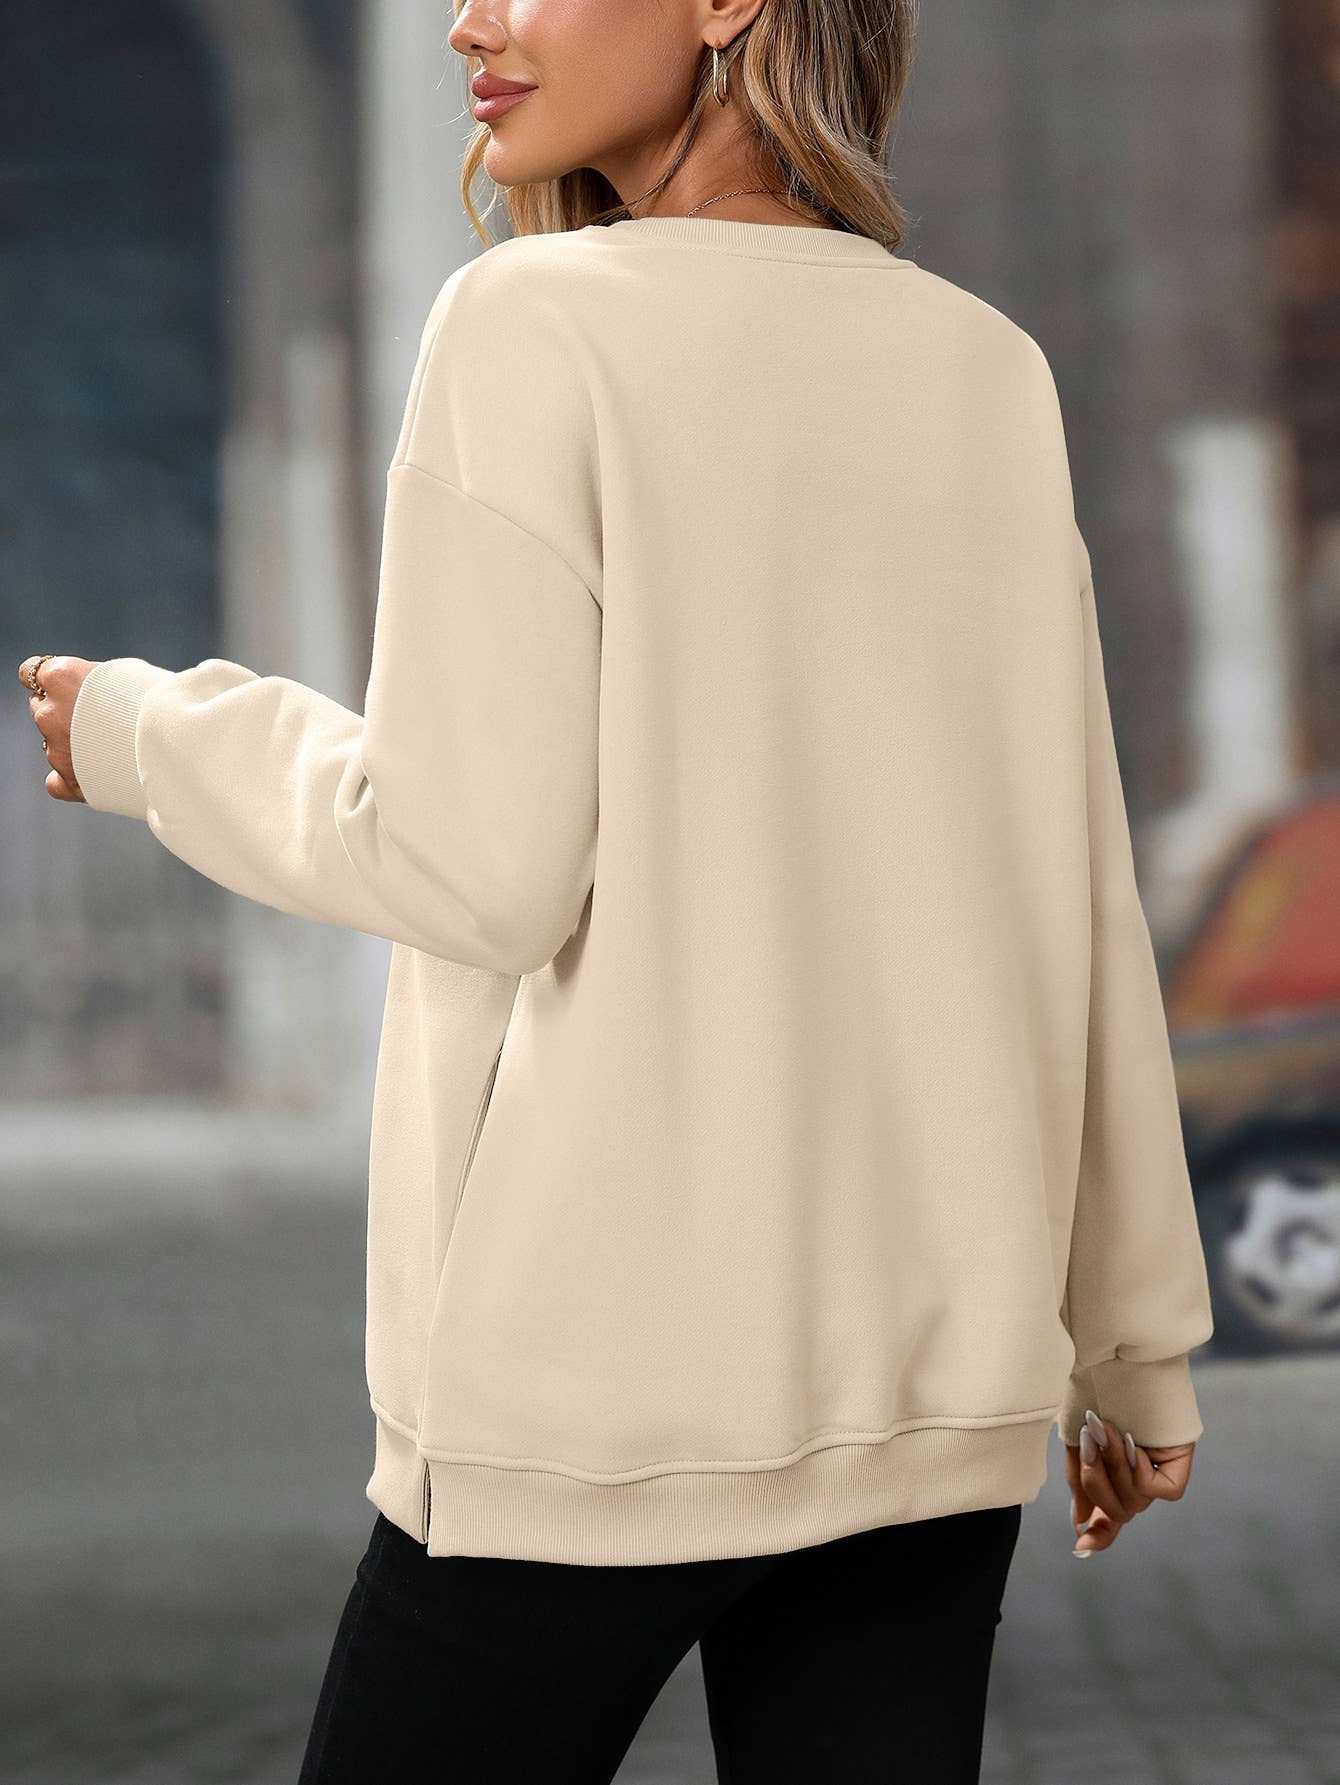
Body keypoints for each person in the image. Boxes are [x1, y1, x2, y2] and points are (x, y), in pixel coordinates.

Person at [18, 0, 1213, 1778]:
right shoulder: (987, 366)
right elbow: (1073, 890)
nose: (468, 22)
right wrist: (1132, 1349)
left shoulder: (530, 324)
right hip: (932, 1401)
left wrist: (149, 735)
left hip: (593, 1408)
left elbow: (471, 862)